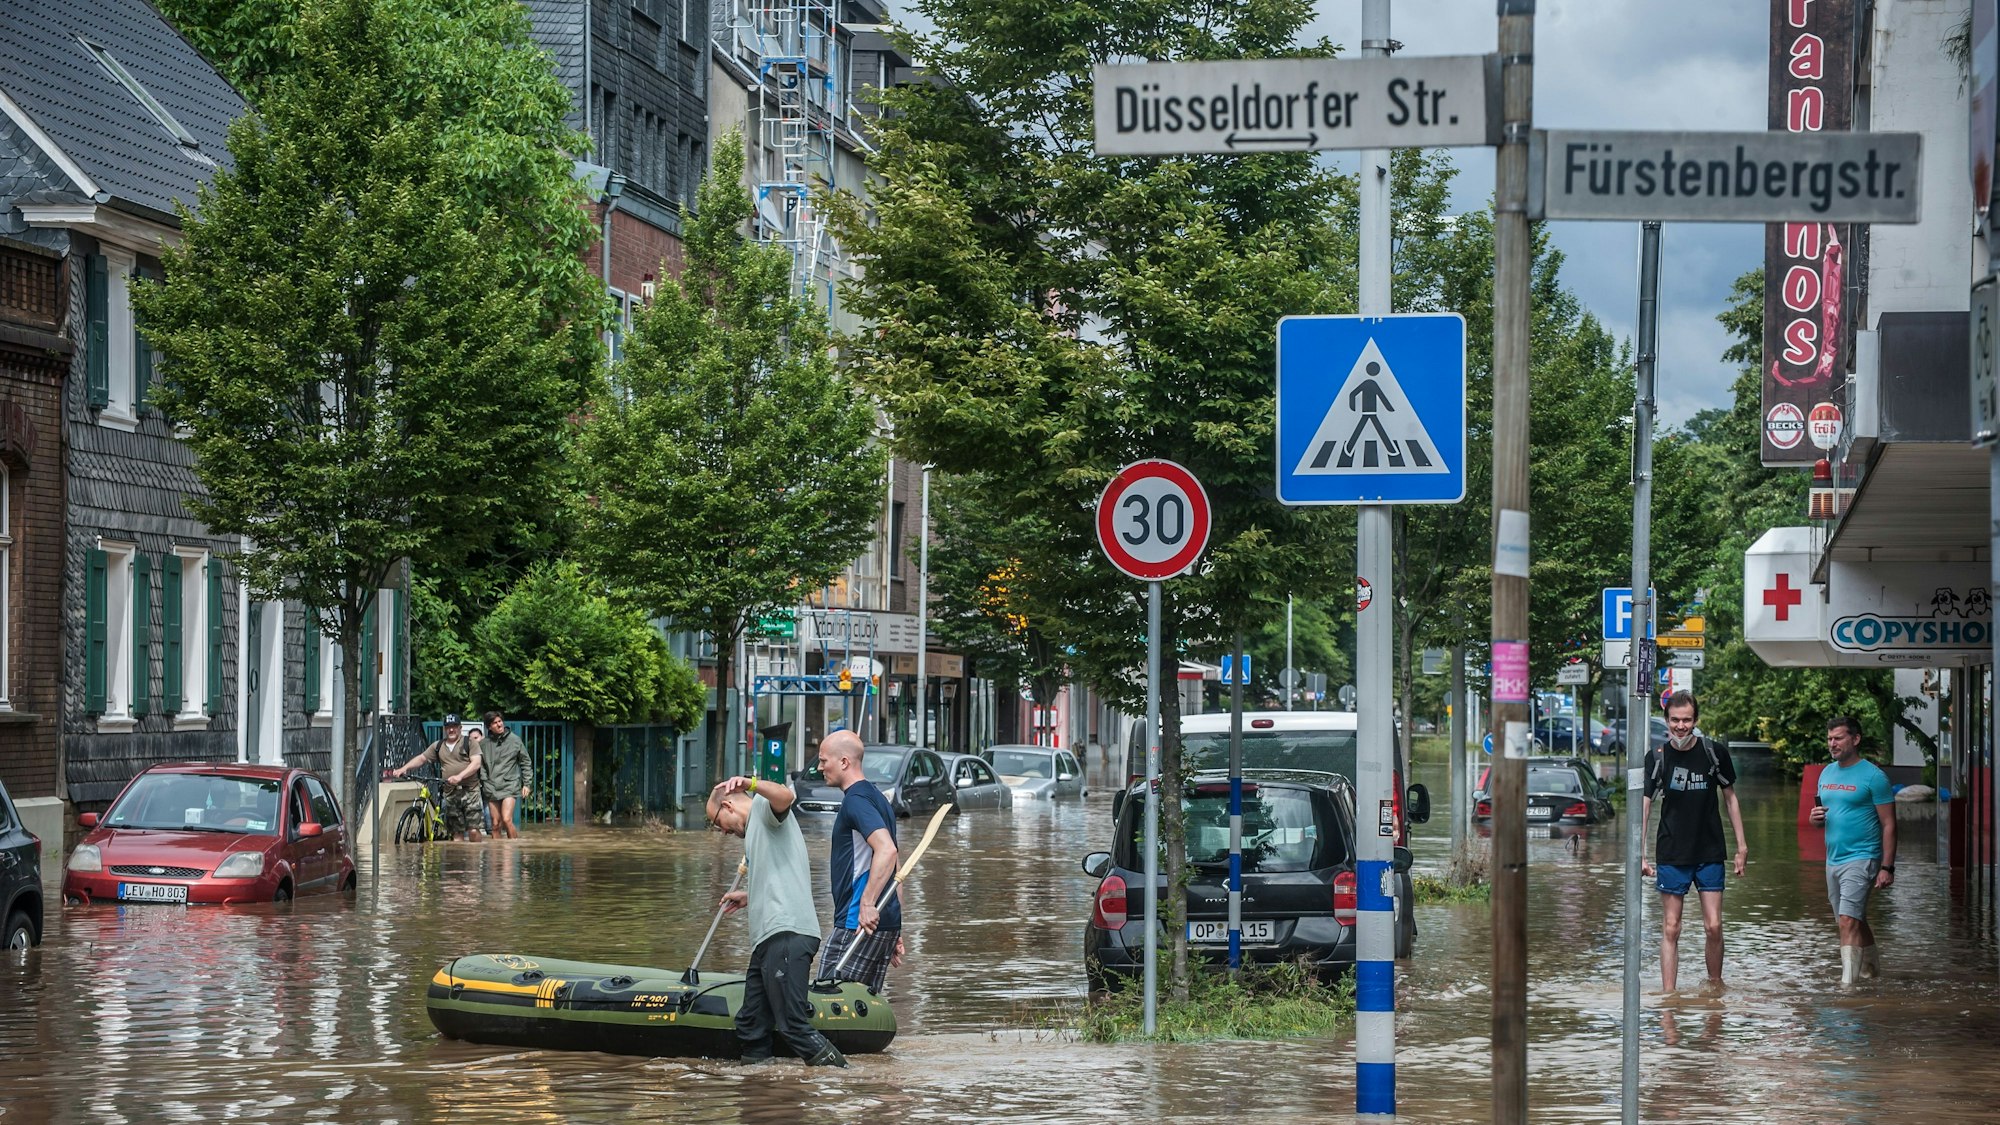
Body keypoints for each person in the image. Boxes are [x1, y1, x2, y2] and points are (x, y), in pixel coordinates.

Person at [706, 775, 846, 1068]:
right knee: (750, 1022)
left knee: (792, 1024)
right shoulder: (758, 832)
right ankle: (761, 1093)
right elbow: (781, 875)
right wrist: (750, 894)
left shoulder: (762, 809)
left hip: (787, 932)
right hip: (768, 938)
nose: (722, 832)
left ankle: (847, 1081)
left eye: (718, 823)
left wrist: (751, 783)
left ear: (728, 805)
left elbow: (786, 797)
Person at [1638, 691, 1747, 993]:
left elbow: (1731, 798)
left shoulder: (1714, 752)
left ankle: (1714, 989)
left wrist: (1742, 846)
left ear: (1695, 720)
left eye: (1687, 720)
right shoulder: (1657, 758)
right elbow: (1645, 804)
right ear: (1667, 721)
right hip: (1672, 851)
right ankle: (1668, 997)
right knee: (1672, 927)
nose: (1681, 726)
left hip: (1709, 850)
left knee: (1713, 926)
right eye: (1675, 720)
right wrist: (1640, 853)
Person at [815, 731, 904, 993]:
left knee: (825, 999)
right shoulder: (878, 798)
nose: (820, 767)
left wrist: (867, 903)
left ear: (844, 762)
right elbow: (896, 868)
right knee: (860, 1007)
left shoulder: (855, 801)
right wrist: (896, 925)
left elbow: (886, 851)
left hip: (857, 921)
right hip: (883, 921)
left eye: (823, 761)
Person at [1810, 715, 1896, 985]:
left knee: (1847, 920)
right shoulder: (1826, 773)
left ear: (1855, 739)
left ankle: (1848, 986)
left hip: (1863, 857)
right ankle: (1872, 971)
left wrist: (1887, 867)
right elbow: (1819, 818)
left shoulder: (1874, 776)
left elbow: (1889, 824)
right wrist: (1814, 819)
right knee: (1852, 919)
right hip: (1833, 858)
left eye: (1838, 738)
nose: (1832, 744)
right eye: (1829, 739)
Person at [390, 714, 485, 841]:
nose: (451, 730)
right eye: (448, 727)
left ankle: (476, 859)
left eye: (454, 726)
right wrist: (404, 768)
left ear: (460, 728)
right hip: (451, 792)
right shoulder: (438, 746)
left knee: (473, 830)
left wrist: (459, 776)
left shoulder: (470, 742)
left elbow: (476, 763)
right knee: (456, 833)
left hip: (470, 790)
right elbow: (422, 758)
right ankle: (460, 860)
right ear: (444, 729)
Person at [479, 711, 530, 840]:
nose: (499, 724)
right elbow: (480, 765)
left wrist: (527, 784)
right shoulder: (484, 744)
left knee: (507, 820)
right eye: (495, 723)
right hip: (491, 786)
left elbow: (525, 762)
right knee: (495, 824)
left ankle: (513, 849)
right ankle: (498, 857)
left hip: (509, 784)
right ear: (489, 727)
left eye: (500, 721)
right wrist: (485, 780)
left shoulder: (515, 740)